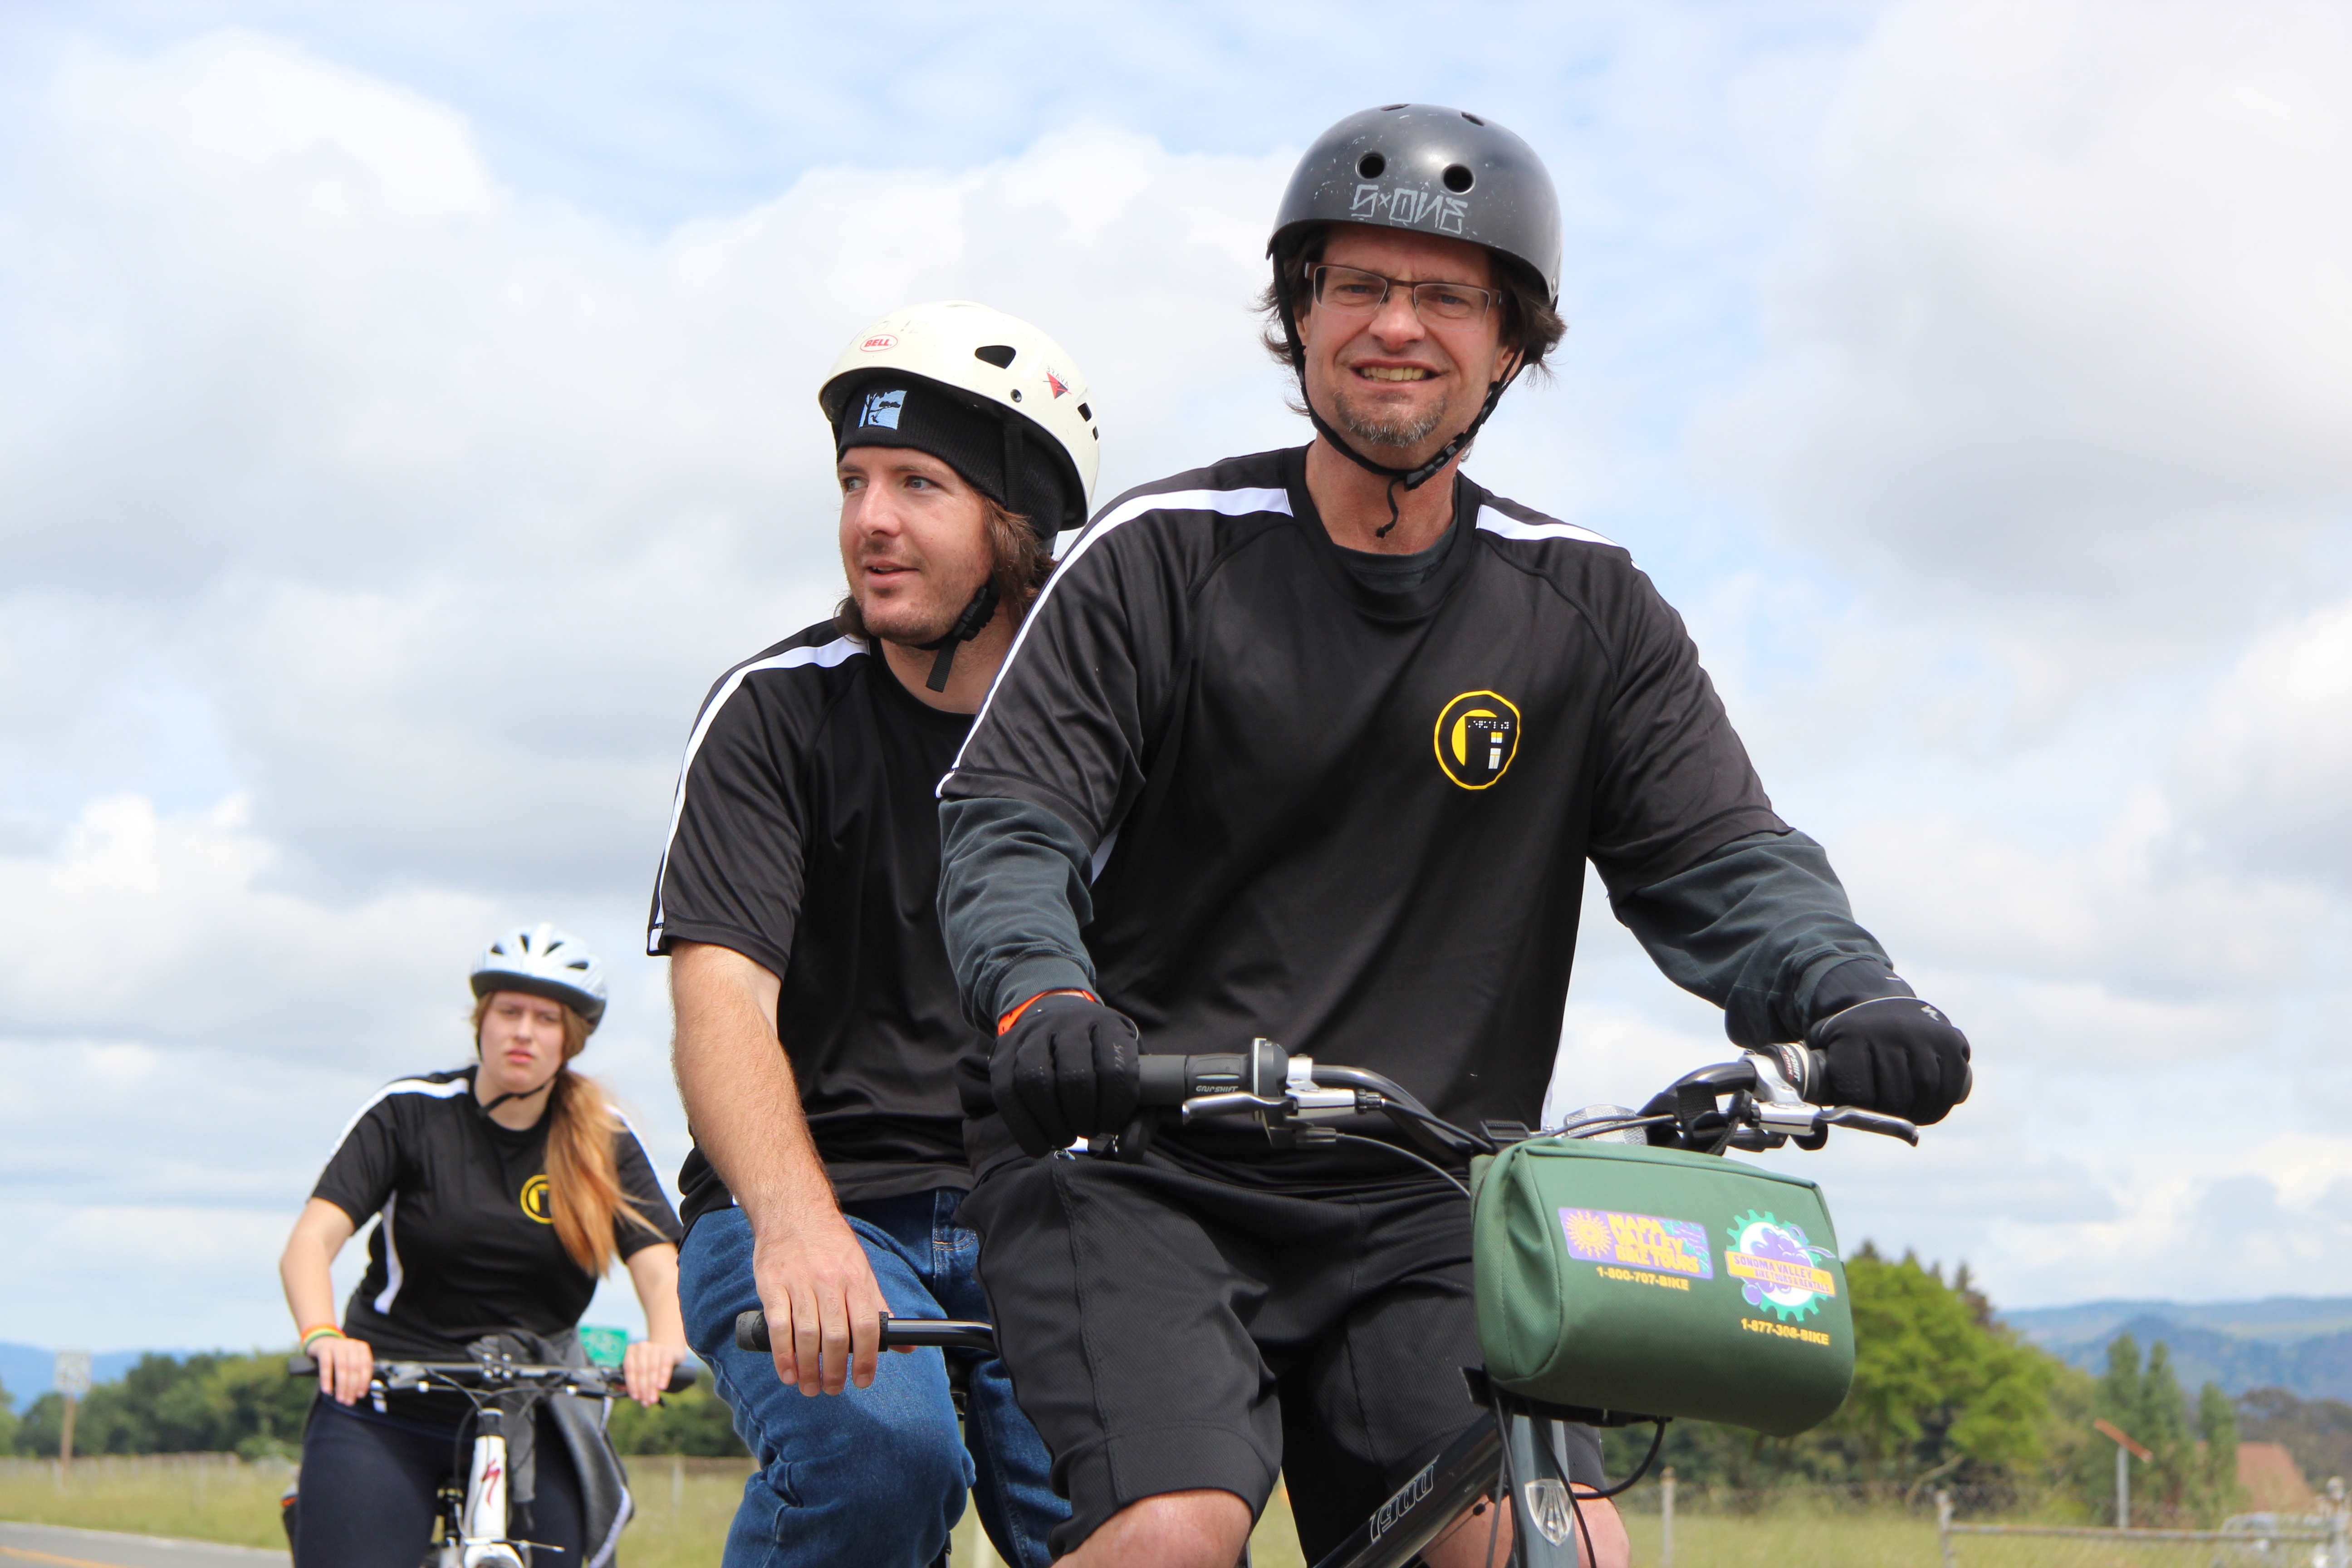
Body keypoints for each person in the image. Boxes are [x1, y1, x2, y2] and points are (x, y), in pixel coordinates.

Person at [933, 104, 1975, 1568]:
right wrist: (1044, 1001)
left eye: (1445, 296)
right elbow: (1010, 825)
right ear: (1300, 317)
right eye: (1356, 286)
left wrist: (1850, 994)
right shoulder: (1162, 557)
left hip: (1427, 1196)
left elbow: (1723, 859)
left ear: (1511, 345)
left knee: (1563, 1547)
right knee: (1172, 1530)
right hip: (1137, 1160)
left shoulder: (1584, 610)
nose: (1394, 326)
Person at [650, 300, 1096, 1567]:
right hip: (807, 1195)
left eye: (918, 484)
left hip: (1047, 1210)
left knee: (1143, 1516)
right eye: (854, 481)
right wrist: (798, 1225)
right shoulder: (773, 713)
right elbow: (722, 1004)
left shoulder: (1114, 719)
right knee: (881, 1462)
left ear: (1016, 524)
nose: (870, 520)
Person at [278, 923, 688, 1568]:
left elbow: (663, 1270)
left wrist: (664, 1344)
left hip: (535, 1403)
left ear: (571, 1039)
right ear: (482, 1022)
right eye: (509, 1012)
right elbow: (310, 1241)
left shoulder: (603, 1138)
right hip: (387, 1396)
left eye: (546, 1019)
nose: (524, 1032)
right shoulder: (410, 1112)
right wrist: (324, 1336)